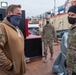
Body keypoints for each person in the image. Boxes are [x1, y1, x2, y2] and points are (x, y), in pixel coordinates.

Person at [0, 4, 26, 75]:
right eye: (17, 14)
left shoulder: (17, 29)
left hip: (19, 70)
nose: (20, 17)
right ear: (9, 13)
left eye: (20, 14)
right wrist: (8, 66)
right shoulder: (2, 27)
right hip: (9, 71)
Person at [66, 5, 76, 75]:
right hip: (70, 64)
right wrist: (67, 59)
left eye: (72, 15)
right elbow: (70, 47)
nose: (70, 17)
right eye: (69, 15)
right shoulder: (71, 29)